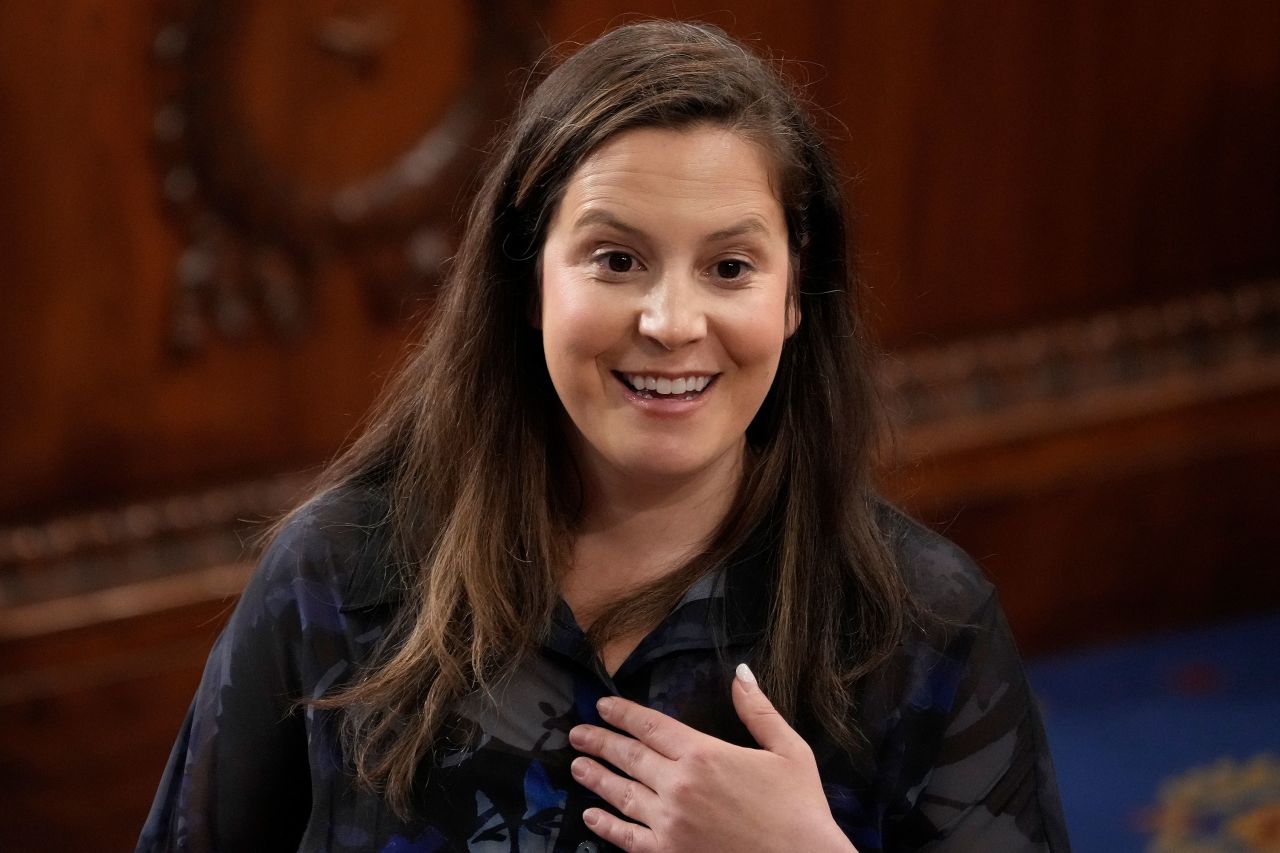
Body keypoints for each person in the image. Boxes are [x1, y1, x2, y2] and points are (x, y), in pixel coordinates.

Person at [138, 20, 1071, 853]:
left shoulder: (925, 625)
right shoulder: (336, 573)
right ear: (528, 278)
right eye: (617, 259)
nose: (671, 321)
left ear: (795, 296)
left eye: (730, 266)